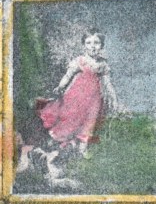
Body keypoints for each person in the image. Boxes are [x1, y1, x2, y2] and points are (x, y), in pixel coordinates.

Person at [35, 30, 126, 158]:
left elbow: (107, 83)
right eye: (88, 43)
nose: (92, 46)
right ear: (84, 45)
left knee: (89, 123)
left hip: (94, 100)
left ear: (102, 45)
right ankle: (57, 143)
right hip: (76, 97)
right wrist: (61, 86)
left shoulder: (102, 64)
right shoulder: (80, 61)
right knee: (71, 119)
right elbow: (68, 75)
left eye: (96, 43)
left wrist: (113, 98)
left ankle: (82, 150)